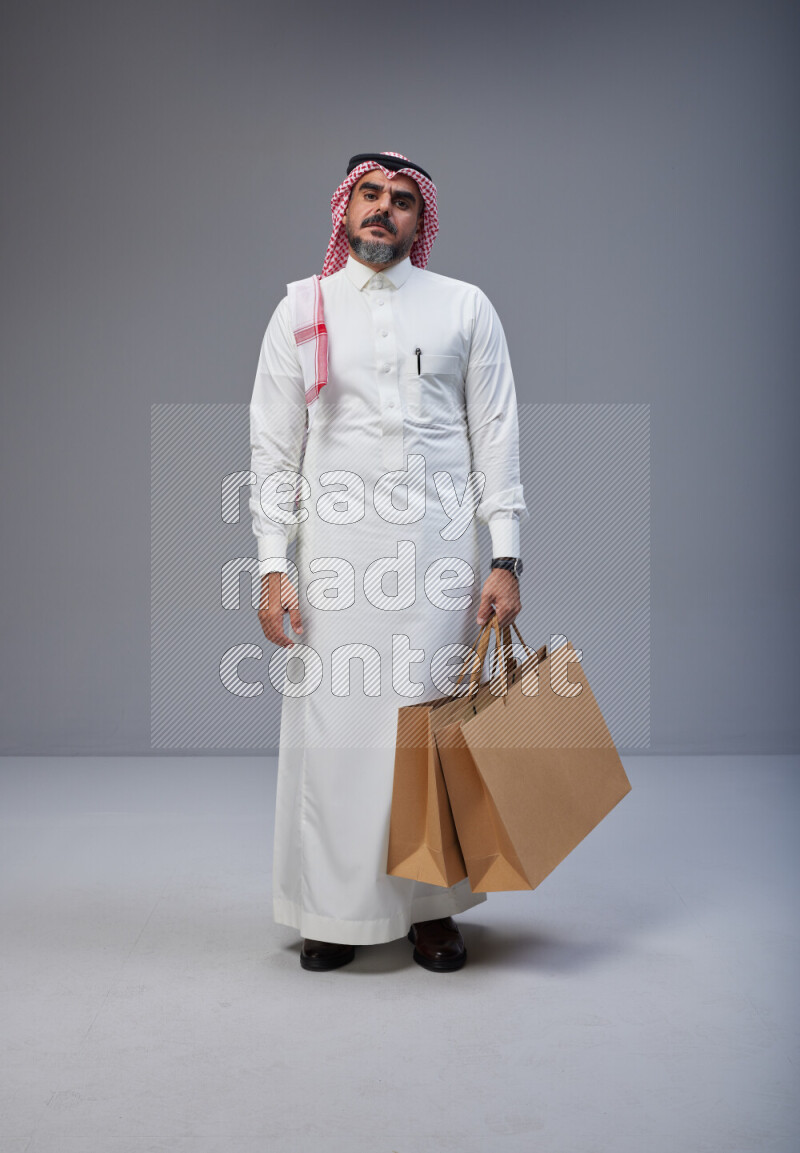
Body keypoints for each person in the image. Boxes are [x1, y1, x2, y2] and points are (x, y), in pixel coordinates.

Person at [249, 151, 527, 972]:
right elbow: (272, 450)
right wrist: (272, 565)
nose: (383, 210)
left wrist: (505, 556)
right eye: (369, 195)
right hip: (334, 556)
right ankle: (332, 911)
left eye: (402, 201)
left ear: (420, 218)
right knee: (337, 731)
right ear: (344, 209)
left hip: (440, 554)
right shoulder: (302, 308)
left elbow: (498, 436)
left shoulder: (464, 308)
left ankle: (432, 911)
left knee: (428, 731)